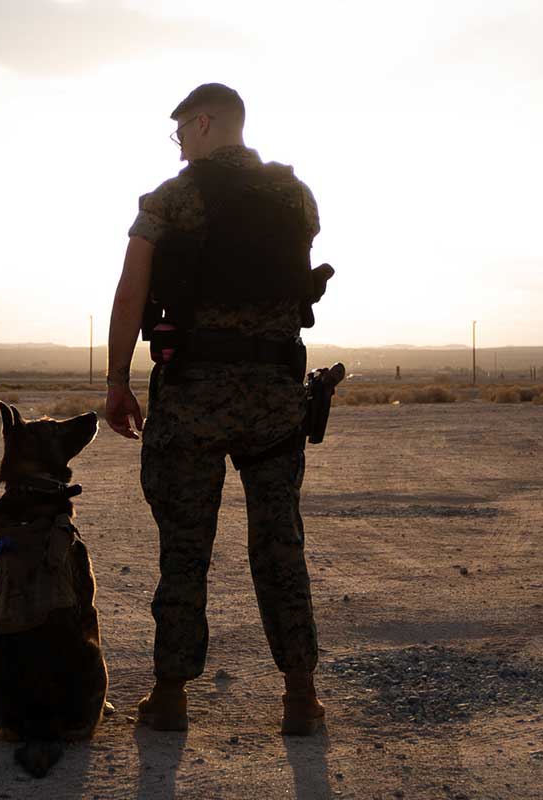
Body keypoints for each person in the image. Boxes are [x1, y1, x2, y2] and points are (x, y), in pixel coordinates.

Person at [104, 83, 327, 736]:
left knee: (185, 548)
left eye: (181, 134)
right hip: (274, 398)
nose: (180, 146)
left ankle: (170, 696)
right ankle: (301, 698)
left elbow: (129, 295)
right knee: (280, 545)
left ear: (201, 124)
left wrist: (118, 382)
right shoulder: (295, 197)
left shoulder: (169, 202)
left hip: (192, 398)